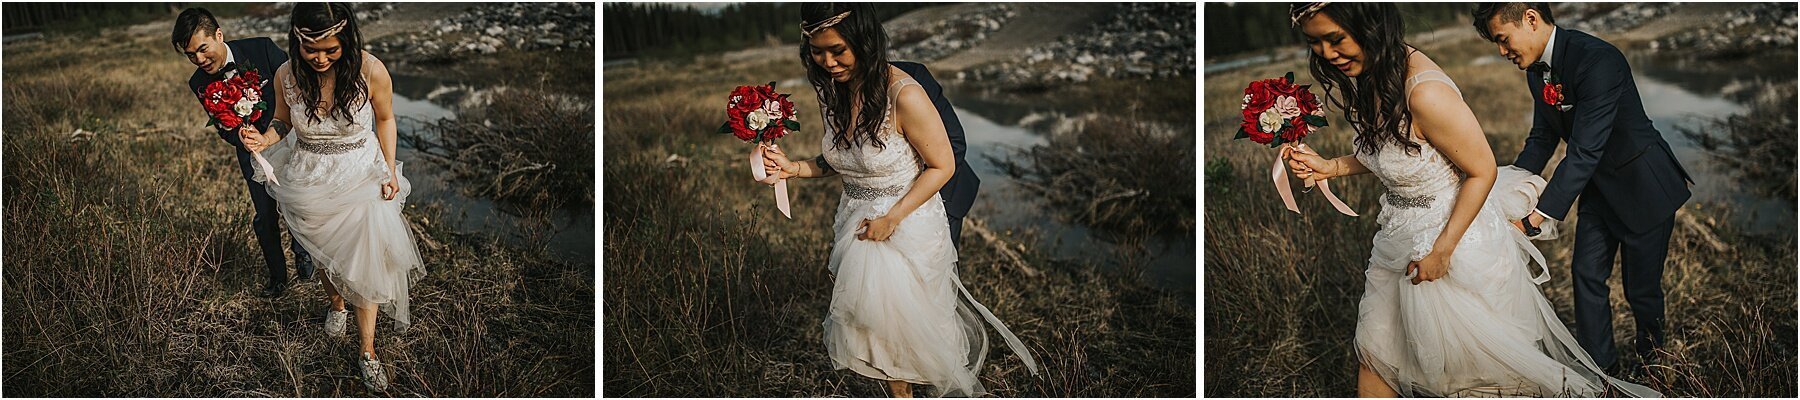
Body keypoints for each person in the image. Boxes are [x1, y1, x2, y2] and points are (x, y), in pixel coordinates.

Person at [1283, 3, 1658, 397]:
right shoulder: (1376, 75)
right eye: (1315, 43)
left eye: (1335, 39)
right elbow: (1400, 151)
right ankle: (1604, 366)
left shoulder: (1428, 92)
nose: (1326, 53)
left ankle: (1649, 363)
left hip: (1462, 241)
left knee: (1472, 378)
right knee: (1376, 355)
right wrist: (1331, 167)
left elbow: (1550, 157)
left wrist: (1522, 221)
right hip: (1398, 236)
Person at [759, 3, 1038, 397]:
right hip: (855, 219)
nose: (828, 62)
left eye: (837, 50)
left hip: (905, 221)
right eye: (817, 52)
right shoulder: (835, 89)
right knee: (876, 326)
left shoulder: (904, 94)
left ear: (863, 40)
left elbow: (943, 166)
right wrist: (795, 168)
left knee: (910, 327)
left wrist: (892, 218)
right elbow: (847, 159)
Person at [1472, 2, 1693, 373]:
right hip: (1597, 188)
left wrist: (1535, 218)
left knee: (1641, 289)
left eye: (1503, 39)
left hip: (1643, 187)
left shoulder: (1597, 60)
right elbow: (1542, 138)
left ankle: (1655, 362)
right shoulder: (1536, 71)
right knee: (1586, 274)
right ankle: (1602, 371)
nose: (1502, 51)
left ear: (1530, 19)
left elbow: (1585, 150)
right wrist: (1504, 191)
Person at [237, 2, 426, 391]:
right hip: (308, 175)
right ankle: (337, 304)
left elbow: (386, 118)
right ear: (297, 42)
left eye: (331, 50)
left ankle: (367, 350)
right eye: (311, 50)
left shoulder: (371, 70)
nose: (321, 59)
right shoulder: (286, 74)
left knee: (366, 262)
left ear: (347, 41)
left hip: (360, 174)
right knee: (323, 254)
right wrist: (263, 138)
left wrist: (390, 169)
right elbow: (283, 121)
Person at [175, 7, 314, 298]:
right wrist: (238, 136)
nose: (199, 59)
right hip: (252, 153)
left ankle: (304, 252)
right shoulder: (198, 83)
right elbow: (222, 126)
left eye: (202, 49)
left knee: (299, 203)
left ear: (218, 35)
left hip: (288, 139)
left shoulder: (261, 48)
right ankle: (277, 277)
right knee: (265, 214)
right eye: (190, 55)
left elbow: (297, 87)